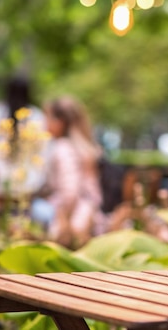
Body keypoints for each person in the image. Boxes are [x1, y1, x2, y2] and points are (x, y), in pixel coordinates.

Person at [32, 96, 104, 248]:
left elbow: (70, 191)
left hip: (67, 215)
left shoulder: (63, 148)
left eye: (48, 118)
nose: (44, 123)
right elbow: (94, 194)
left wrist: (63, 221)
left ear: (61, 122)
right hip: (90, 215)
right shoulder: (86, 149)